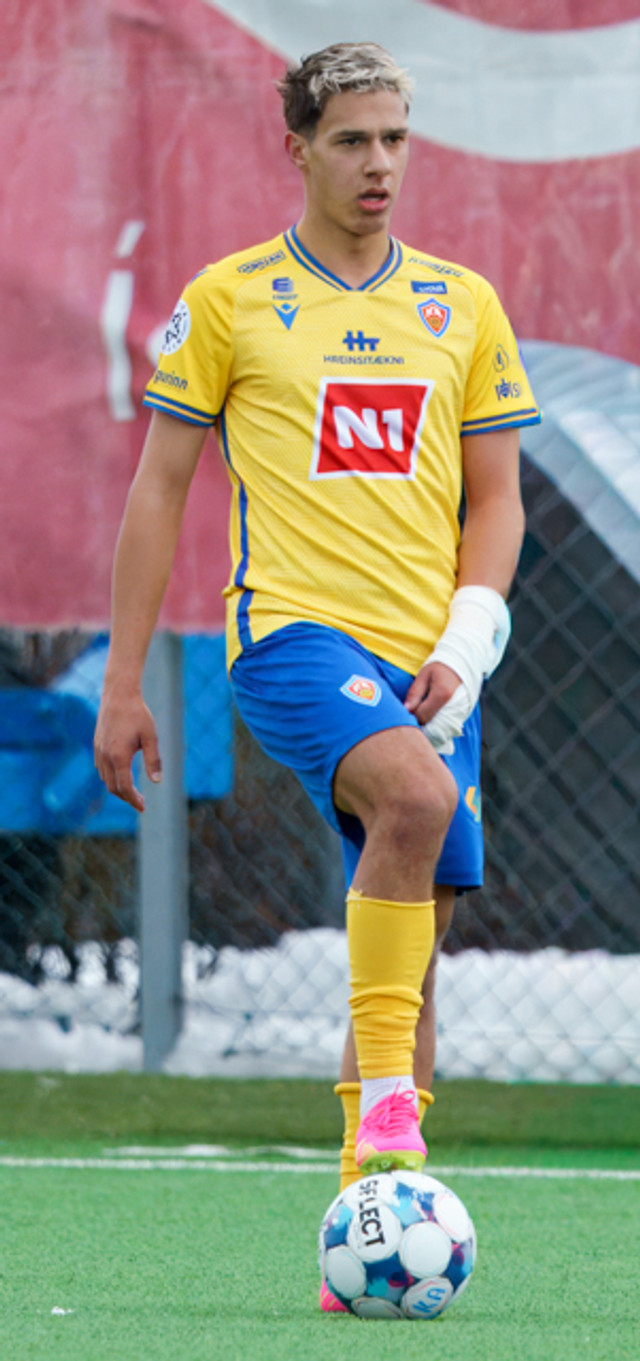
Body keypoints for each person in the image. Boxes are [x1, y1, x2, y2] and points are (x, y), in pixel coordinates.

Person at [94, 41, 539, 1226]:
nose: (378, 161)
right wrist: (122, 681)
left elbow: (498, 500)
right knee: (416, 801)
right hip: (293, 636)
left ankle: (370, 1216)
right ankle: (391, 1105)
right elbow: (158, 490)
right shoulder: (230, 298)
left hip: (434, 661)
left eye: (394, 137)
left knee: (413, 943)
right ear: (296, 148)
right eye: (351, 139)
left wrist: (469, 638)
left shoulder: (462, 303)